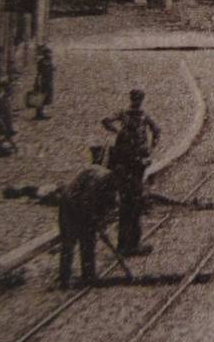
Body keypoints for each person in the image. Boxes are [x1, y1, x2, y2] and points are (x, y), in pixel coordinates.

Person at [102, 89, 160, 256]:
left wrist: (118, 132)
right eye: (136, 99)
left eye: (137, 99)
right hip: (134, 164)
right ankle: (132, 244)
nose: (136, 102)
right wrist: (151, 148)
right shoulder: (143, 116)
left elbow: (106, 121)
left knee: (127, 204)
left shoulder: (125, 115)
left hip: (126, 164)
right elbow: (157, 131)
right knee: (134, 203)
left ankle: (124, 244)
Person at [58, 160, 118, 289]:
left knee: (89, 240)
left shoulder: (112, 185)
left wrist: (102, 222)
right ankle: (65, 279)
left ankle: (89, 275)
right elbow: (85, 203)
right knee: (69, 242)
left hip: (84, 204)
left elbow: (109, 206)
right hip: (70, 204)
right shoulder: (98, 180)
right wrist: (95, 221)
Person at [0, 78, 17, 155]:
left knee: (7, 134)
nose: (12, 92)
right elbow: (0, 112)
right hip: (1, 121)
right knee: (3, 133)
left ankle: (4, 145)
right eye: (10, 90)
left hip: (5, 121)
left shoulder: (6, 99)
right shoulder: (2, 99)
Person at [33, 46, 55, 120]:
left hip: (48, 82)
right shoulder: (44, 62)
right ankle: (39, 114)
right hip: (43, 82)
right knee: (41, 97)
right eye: (48, 53)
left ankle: (41, 113)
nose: (49, 55)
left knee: (45, 97)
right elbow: (40, 72)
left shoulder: (48, 61)